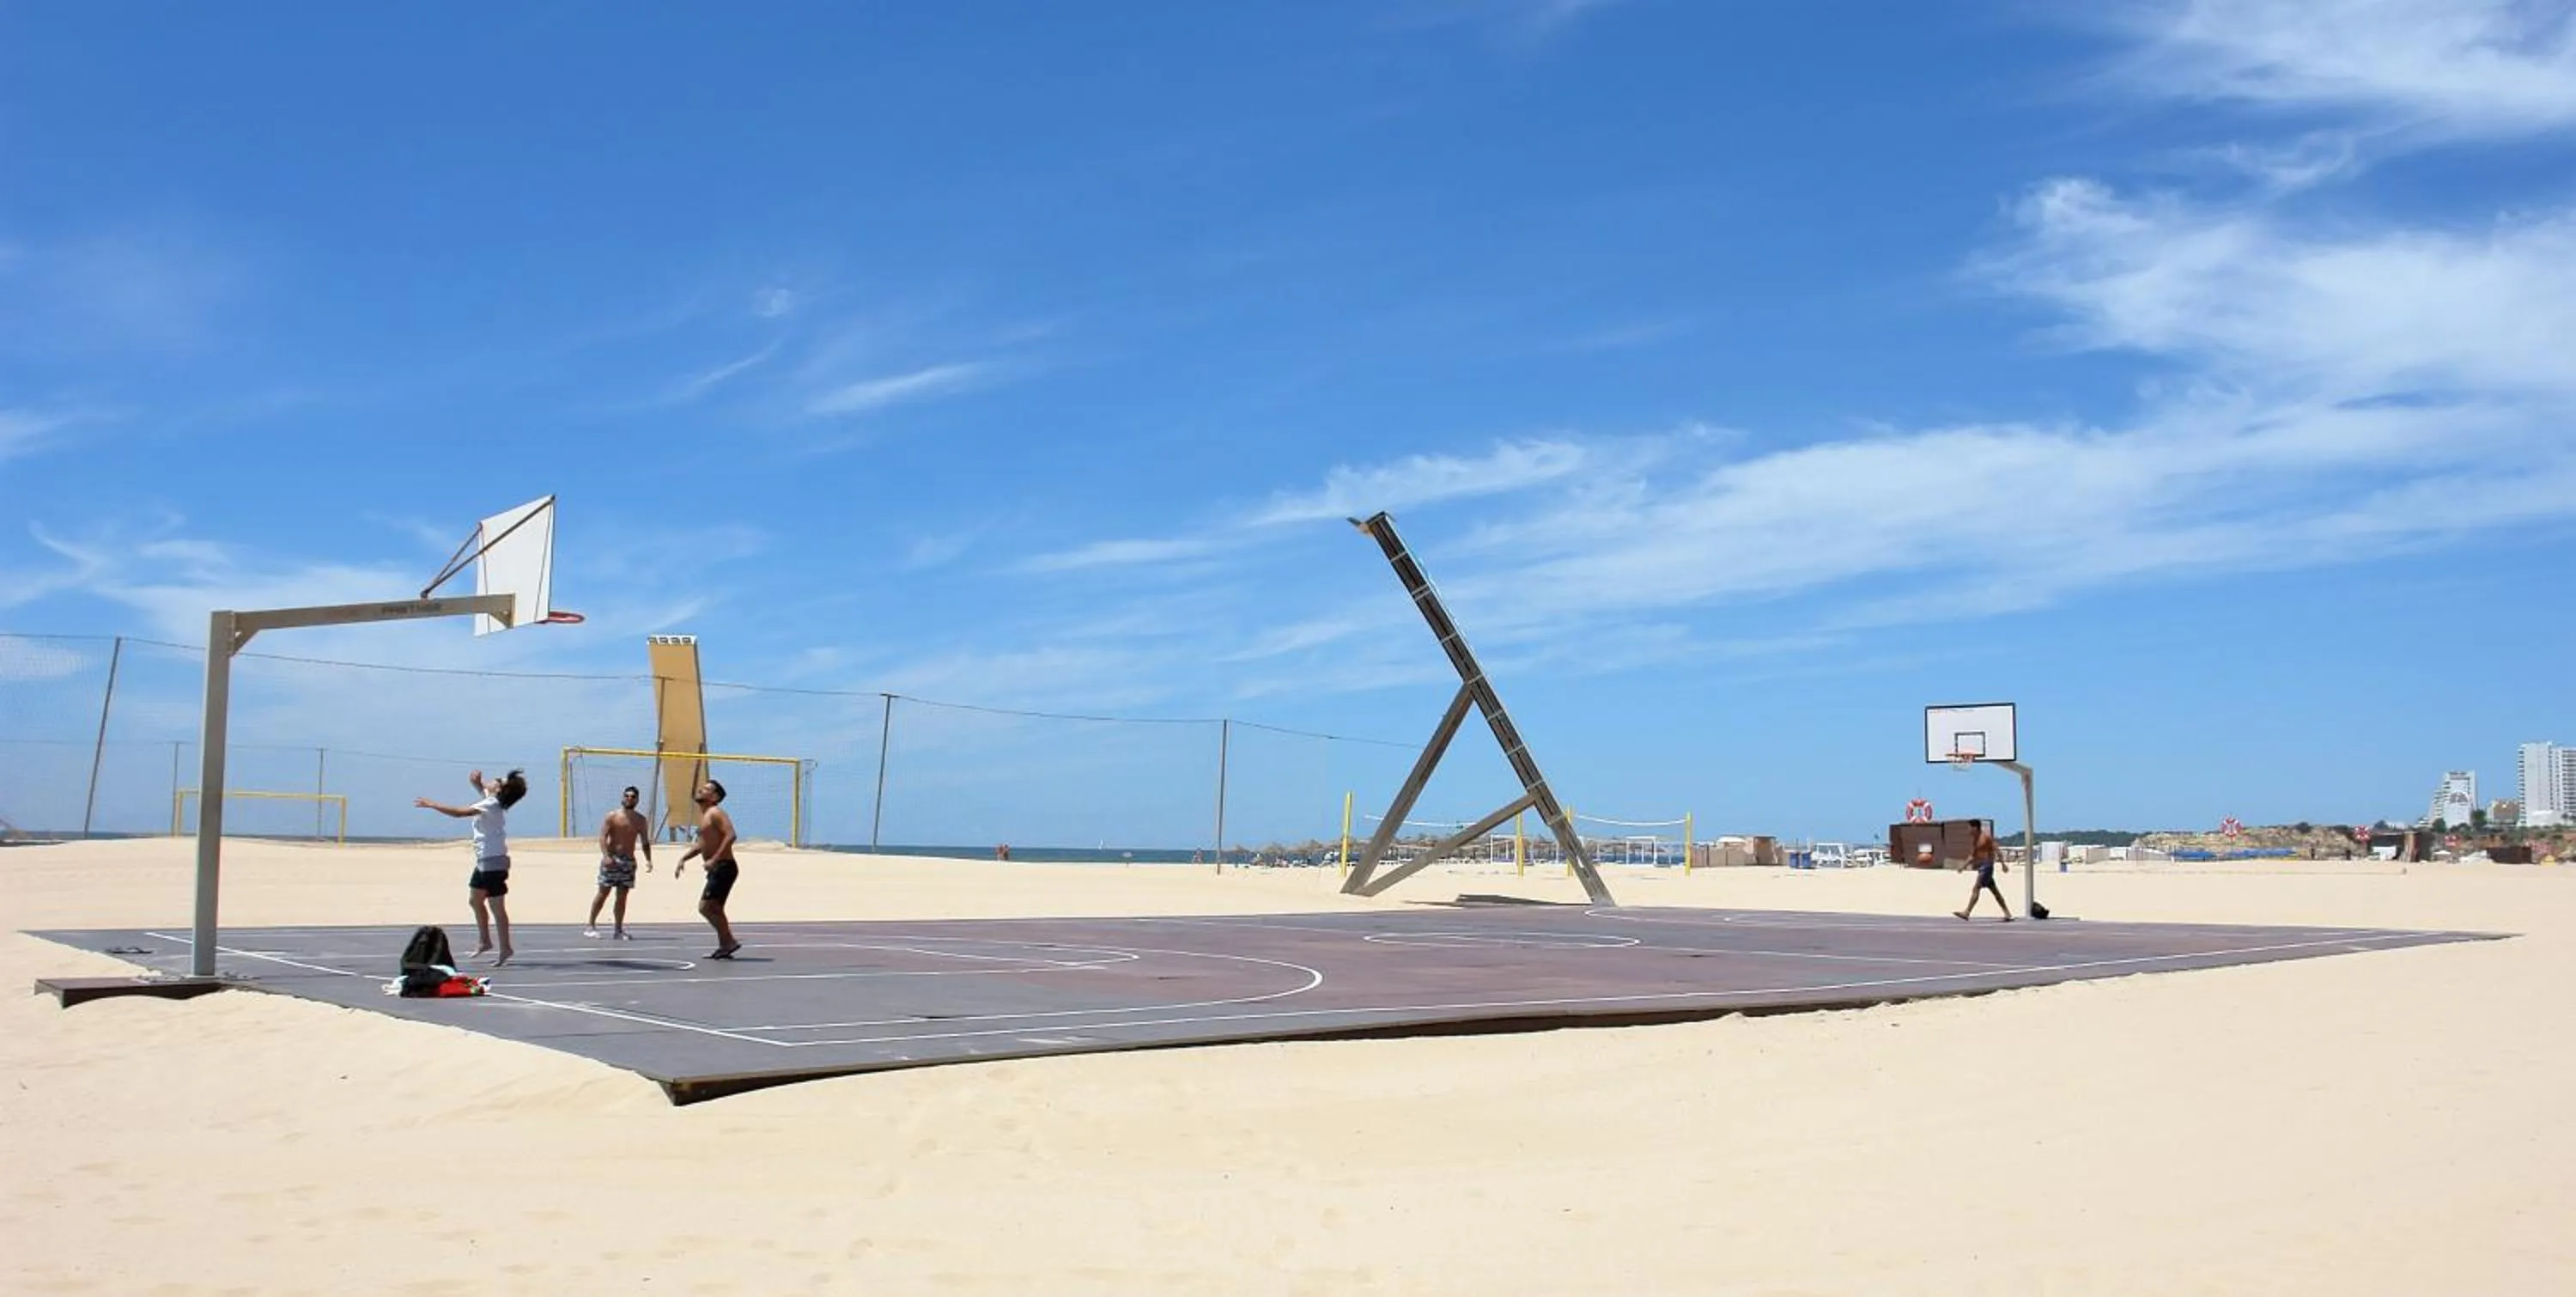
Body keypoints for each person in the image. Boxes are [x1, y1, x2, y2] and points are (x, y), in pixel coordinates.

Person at [416, 768, 529, 964]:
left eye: (496, 781)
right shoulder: (493, 801)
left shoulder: (492, 804)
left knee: (497, 908)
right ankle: (485, 941)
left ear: (500, 791)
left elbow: (460, 813)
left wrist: (433, 804)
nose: (491, 782)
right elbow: (485, 791)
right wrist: (477, 783)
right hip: (485, 861)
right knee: (475, 900)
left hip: (493, 862)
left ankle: (506, 948)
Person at [672, 777, 741, 959]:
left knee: (706, 907)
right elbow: (701, 845)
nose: (701, 791)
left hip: (724, 867)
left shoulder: (715, 813)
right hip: (718, 868)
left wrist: (714, 860)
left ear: (715, 797)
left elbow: (731, 835)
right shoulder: (706, 817)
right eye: (702, 788)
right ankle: (726, 944)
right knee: (714, 908)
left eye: (706, 789)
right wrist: (684, 858)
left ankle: (729, 941)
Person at [586, 785, 653, 940]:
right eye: (627, 796)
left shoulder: (640, 820)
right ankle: (590, 925)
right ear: (623, 798)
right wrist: (606, 856)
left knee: (622, 896)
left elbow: (645, 842)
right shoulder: (612, 816)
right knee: (604, 892)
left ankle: (618, 929)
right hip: (612, 859)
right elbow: (603, 837)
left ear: (637, 800)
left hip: (628, 861)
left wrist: (648, 859)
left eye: (633, 797)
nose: (629, 799)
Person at [1954, 821, 2013, 922]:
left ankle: (1967, 912)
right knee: (1995, 891)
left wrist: (2003, 864)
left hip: (1987, 866)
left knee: (1976, 888)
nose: (1968, 830)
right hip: (1983, 867)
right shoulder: (1975, 840)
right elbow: (1972, 855)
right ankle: (2007, 913)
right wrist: (1963, 866)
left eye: (1970, 828)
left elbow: (1997, 850)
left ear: (1975, 828)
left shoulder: (1986, 838)